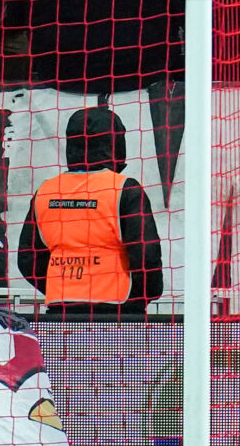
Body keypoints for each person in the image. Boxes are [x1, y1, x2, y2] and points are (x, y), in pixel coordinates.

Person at [17, 105, 165, 314]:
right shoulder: (125, 189)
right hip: (120, 309)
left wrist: (59, 287)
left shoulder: (46, 191)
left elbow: (27, 258)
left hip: (62, 309)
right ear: (116, 141)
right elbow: (146, 254)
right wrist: (140, 297)